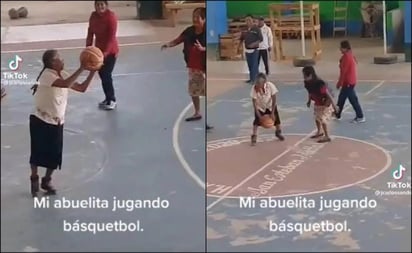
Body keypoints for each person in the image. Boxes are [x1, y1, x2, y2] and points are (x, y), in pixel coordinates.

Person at [29, 49, 96, 197]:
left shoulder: (63, 75)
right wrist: (82, 68)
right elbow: (65, 84)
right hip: (40, 119)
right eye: (60, 59)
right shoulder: (46, 75)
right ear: (53, 63)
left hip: (57, 121)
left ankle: (46, 180)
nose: (63, 60)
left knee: (55, 155)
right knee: (37, 152)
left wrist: (93, 71)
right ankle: (34, 177)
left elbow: (82, 88)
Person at [161, 7, 213, 130]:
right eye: (193, 17)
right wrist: (168, 44)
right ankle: (197, 112)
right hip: (193, 67)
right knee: (194, 91)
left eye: (198, 17)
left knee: (207, 92)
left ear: (204, 19)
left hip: (205, 67)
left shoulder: (207, 33)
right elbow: (179, 39)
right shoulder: (189, 31)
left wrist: (203, 49)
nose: (195, 19)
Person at [86, 0, 119, 110]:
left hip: (111, 51)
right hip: (98, 51)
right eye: (97, 4)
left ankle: (112, 100)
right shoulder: (93, 16)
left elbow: (111, 37)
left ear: (106, 5)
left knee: (106, 74)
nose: (100, 6)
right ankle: (107, 98)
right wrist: (88, 48)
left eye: (102, 4)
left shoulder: (111, 17)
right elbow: (90, 32)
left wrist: (105, 53)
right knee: (102, 74)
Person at [303, 66, 339, 143]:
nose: (304, 77)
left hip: (325, 101)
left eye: (305, 76)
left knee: (322, 118)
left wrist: (334, 105)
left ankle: (327, 136)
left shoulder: (319, 83)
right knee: (316, 117)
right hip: (317, 101)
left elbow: (328, 95)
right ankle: (319, 132)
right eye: (304, 75)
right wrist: (309, 100)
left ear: (311, 75)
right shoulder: (307, 83)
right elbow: (310, 92)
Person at [335, 40, 365, 123]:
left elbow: (343, 72)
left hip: (348, 82)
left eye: (341, 47)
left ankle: (360, 116)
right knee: (341, 98)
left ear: (344, 48)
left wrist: (339, 83)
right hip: (348, 81)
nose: (340, 49)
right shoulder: (348, 55)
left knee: (353, 100)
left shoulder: (347, 57)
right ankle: (337, 114)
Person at [250, 73, 284, 145]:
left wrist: (272, 113)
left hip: (270, 105)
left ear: (264, 83)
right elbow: (254, 104)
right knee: (256, 122)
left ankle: (278, 132)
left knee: (276, 120)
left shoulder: (270, 86)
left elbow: (274, 99)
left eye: (259, 83)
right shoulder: (254, 88)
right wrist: (259, 116)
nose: (258, 84)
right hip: (260, 107)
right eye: (257, 83)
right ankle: (254, 136)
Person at [238, 15, 263, 84]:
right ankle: (251, 78)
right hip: (247, 50)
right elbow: (241, 39)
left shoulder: (256, 29)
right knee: (250, 65)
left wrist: (254, 44)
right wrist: (239, 47)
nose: (248, 22)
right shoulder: (244, 29)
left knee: (254, 65)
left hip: (255, 50)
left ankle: (255, 80)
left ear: (252, 21)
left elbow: (260, 39)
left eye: (249, 20)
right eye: (246, 20)